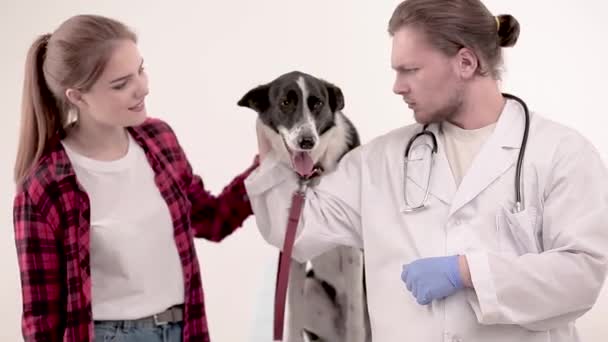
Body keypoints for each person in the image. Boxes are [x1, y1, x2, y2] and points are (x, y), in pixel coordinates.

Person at [245, 0, 608, 341]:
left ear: (466, 63)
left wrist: (468, 272)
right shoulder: (378, 162)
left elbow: (581, 277)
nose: (398, 86)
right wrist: (272, 150)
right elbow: (296, 232)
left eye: (411, 70)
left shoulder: (561, 153)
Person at [13, 14, 258, 342]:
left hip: (184, 327)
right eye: (121, 84)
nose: (142, 87)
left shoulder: (159, 139)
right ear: (77, 97)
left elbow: (211, 219)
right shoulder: (45, 186)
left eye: (140, 70)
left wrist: (268, 169)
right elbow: (42, 319)